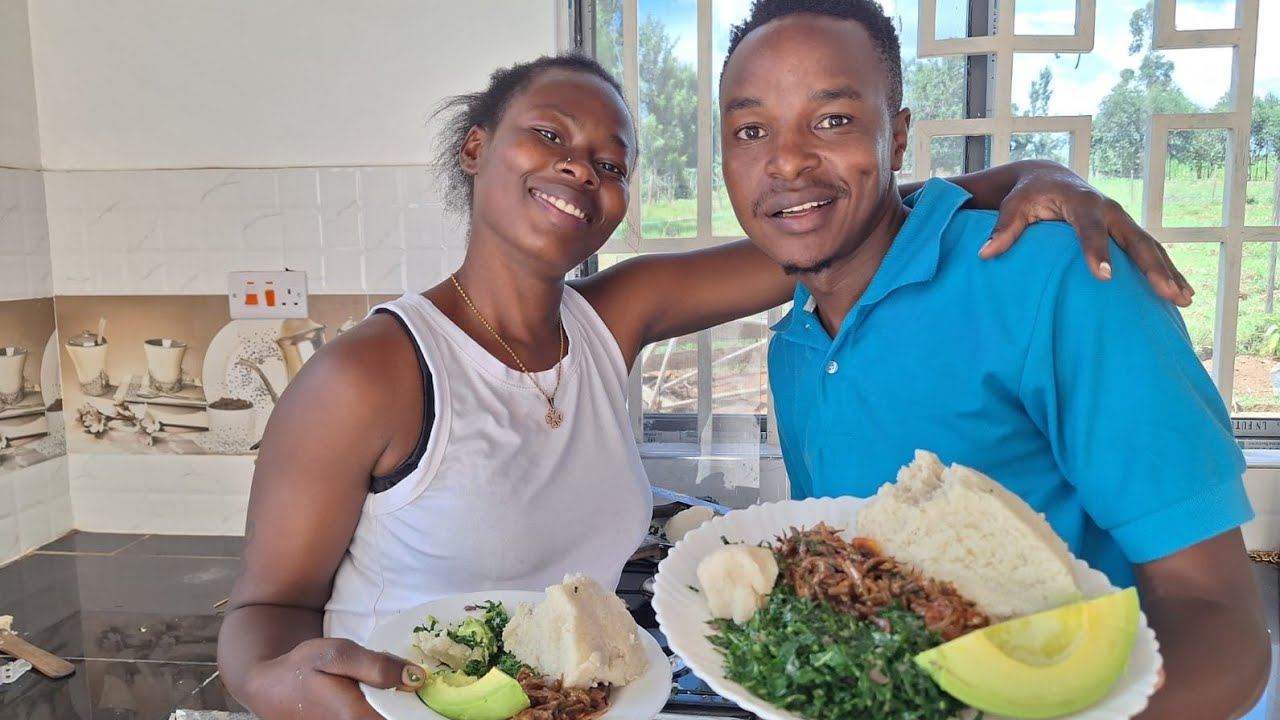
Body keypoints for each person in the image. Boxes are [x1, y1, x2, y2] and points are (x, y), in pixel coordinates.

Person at [215, 49, 1196, 719]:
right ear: (478, 148)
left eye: (609, 160)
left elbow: (833, 221)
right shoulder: (369, 374)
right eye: (547, 136)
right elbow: (262, 613)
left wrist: (1027, 175)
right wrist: (269, 682)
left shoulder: (611, 318)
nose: (579, 169)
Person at [717, 1, 1271, 717]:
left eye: (832, 120)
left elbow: (1217, 617)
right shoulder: (795, 345)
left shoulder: (1058, 277)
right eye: (751, 130)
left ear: (897, 137)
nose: (787, 160)